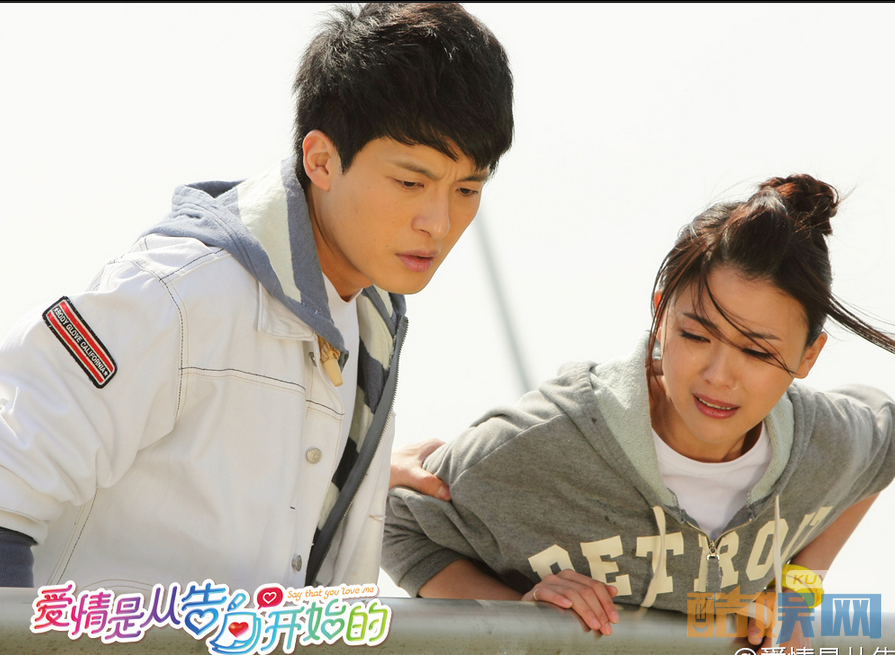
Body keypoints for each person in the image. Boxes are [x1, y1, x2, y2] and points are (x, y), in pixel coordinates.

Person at [0, 3, 513, 591]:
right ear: (321, 161)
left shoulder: (368, 321)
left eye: (467, 189)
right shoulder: (181, 292)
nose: (438, 222)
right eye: (410, 182)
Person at [383, 174, 895, 646]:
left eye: (757, 352)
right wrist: (519, 613)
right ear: (660, 311)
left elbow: (885, 445)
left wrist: (798, 587)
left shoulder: (821, 441)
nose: (719, 375)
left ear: (808, 356)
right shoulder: (545, 439)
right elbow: (394, 522)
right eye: (696, 335)